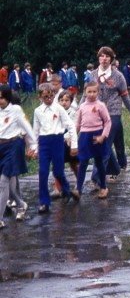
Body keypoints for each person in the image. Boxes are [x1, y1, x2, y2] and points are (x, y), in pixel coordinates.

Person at [83, 46, 130, 183]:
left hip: (113, 113)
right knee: (112, 143)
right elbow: (85, 96)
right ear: (98, 58)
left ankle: (96, 177)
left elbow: (126, 98)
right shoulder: (92, 75)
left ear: (111, 59)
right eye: (102, 56)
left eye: (107, 56)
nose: (104, 59)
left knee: (105, 144)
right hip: (96, 114)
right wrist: (79, 111)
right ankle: (115, 168)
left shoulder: (118, 76)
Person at [33, 83, 79, 213]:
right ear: (40, 97)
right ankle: (44, 202)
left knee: (58, 172)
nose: (48, 99)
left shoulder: (59, 109)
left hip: (57, 141)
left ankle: (66, 190)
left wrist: (74, 145)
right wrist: (34, 148)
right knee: (43, 172)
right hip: (44, 142)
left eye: (51, 96)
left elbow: (70, 125)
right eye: (45, 97)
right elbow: (35, 131)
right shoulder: (38, 111)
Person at [0, 85, 37, 227]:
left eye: (2, 98)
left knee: (4, 181)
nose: (0, 101)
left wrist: (33, 146)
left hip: (13, 146)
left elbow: (27, 127)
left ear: (8, 97)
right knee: (6, 185)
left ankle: (0, 218)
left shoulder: (15, 110)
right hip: (0, 147)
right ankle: (21, 204)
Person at [74, 81, 111, 200]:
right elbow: (78, 124)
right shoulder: (82, 107)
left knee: (99, 163)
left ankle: (103, 187)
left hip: (97, 136)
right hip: (85, 136)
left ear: (98, 92)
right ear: (84, 92)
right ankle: (78, 190)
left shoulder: (101, 105)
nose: (91, 94)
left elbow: (108, 122)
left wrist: (103, 136)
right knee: (83, 162)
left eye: (94, 91)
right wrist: (73, 136)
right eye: (89, 91)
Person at [59, 90, 80, 191]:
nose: (64, 102)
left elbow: (74, 126)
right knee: (58, 165)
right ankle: (58, 188)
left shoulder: (73, 112)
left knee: (73, 163)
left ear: (70, 102)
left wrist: (68, 137)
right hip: (58, 142)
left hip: (70, 142)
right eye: (61, 100)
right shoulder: (56, 112)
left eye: (66, 100)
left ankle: (79, 181)